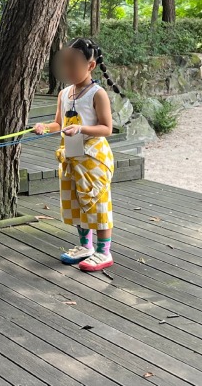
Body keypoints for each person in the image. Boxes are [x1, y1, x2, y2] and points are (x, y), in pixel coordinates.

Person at [34, 38, 120, 271]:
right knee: (76, 202)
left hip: (93, 159)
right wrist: (44, 126)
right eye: (66, 65)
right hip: (71, 157)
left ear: (90, 66)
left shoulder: (97, 94)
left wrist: (81, 128)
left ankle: (104, 252)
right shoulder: (64, 93)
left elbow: (106, 128)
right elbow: (58, 123)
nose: (68, 70)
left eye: (74, 65)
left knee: (97, 203)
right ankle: (86, 246)